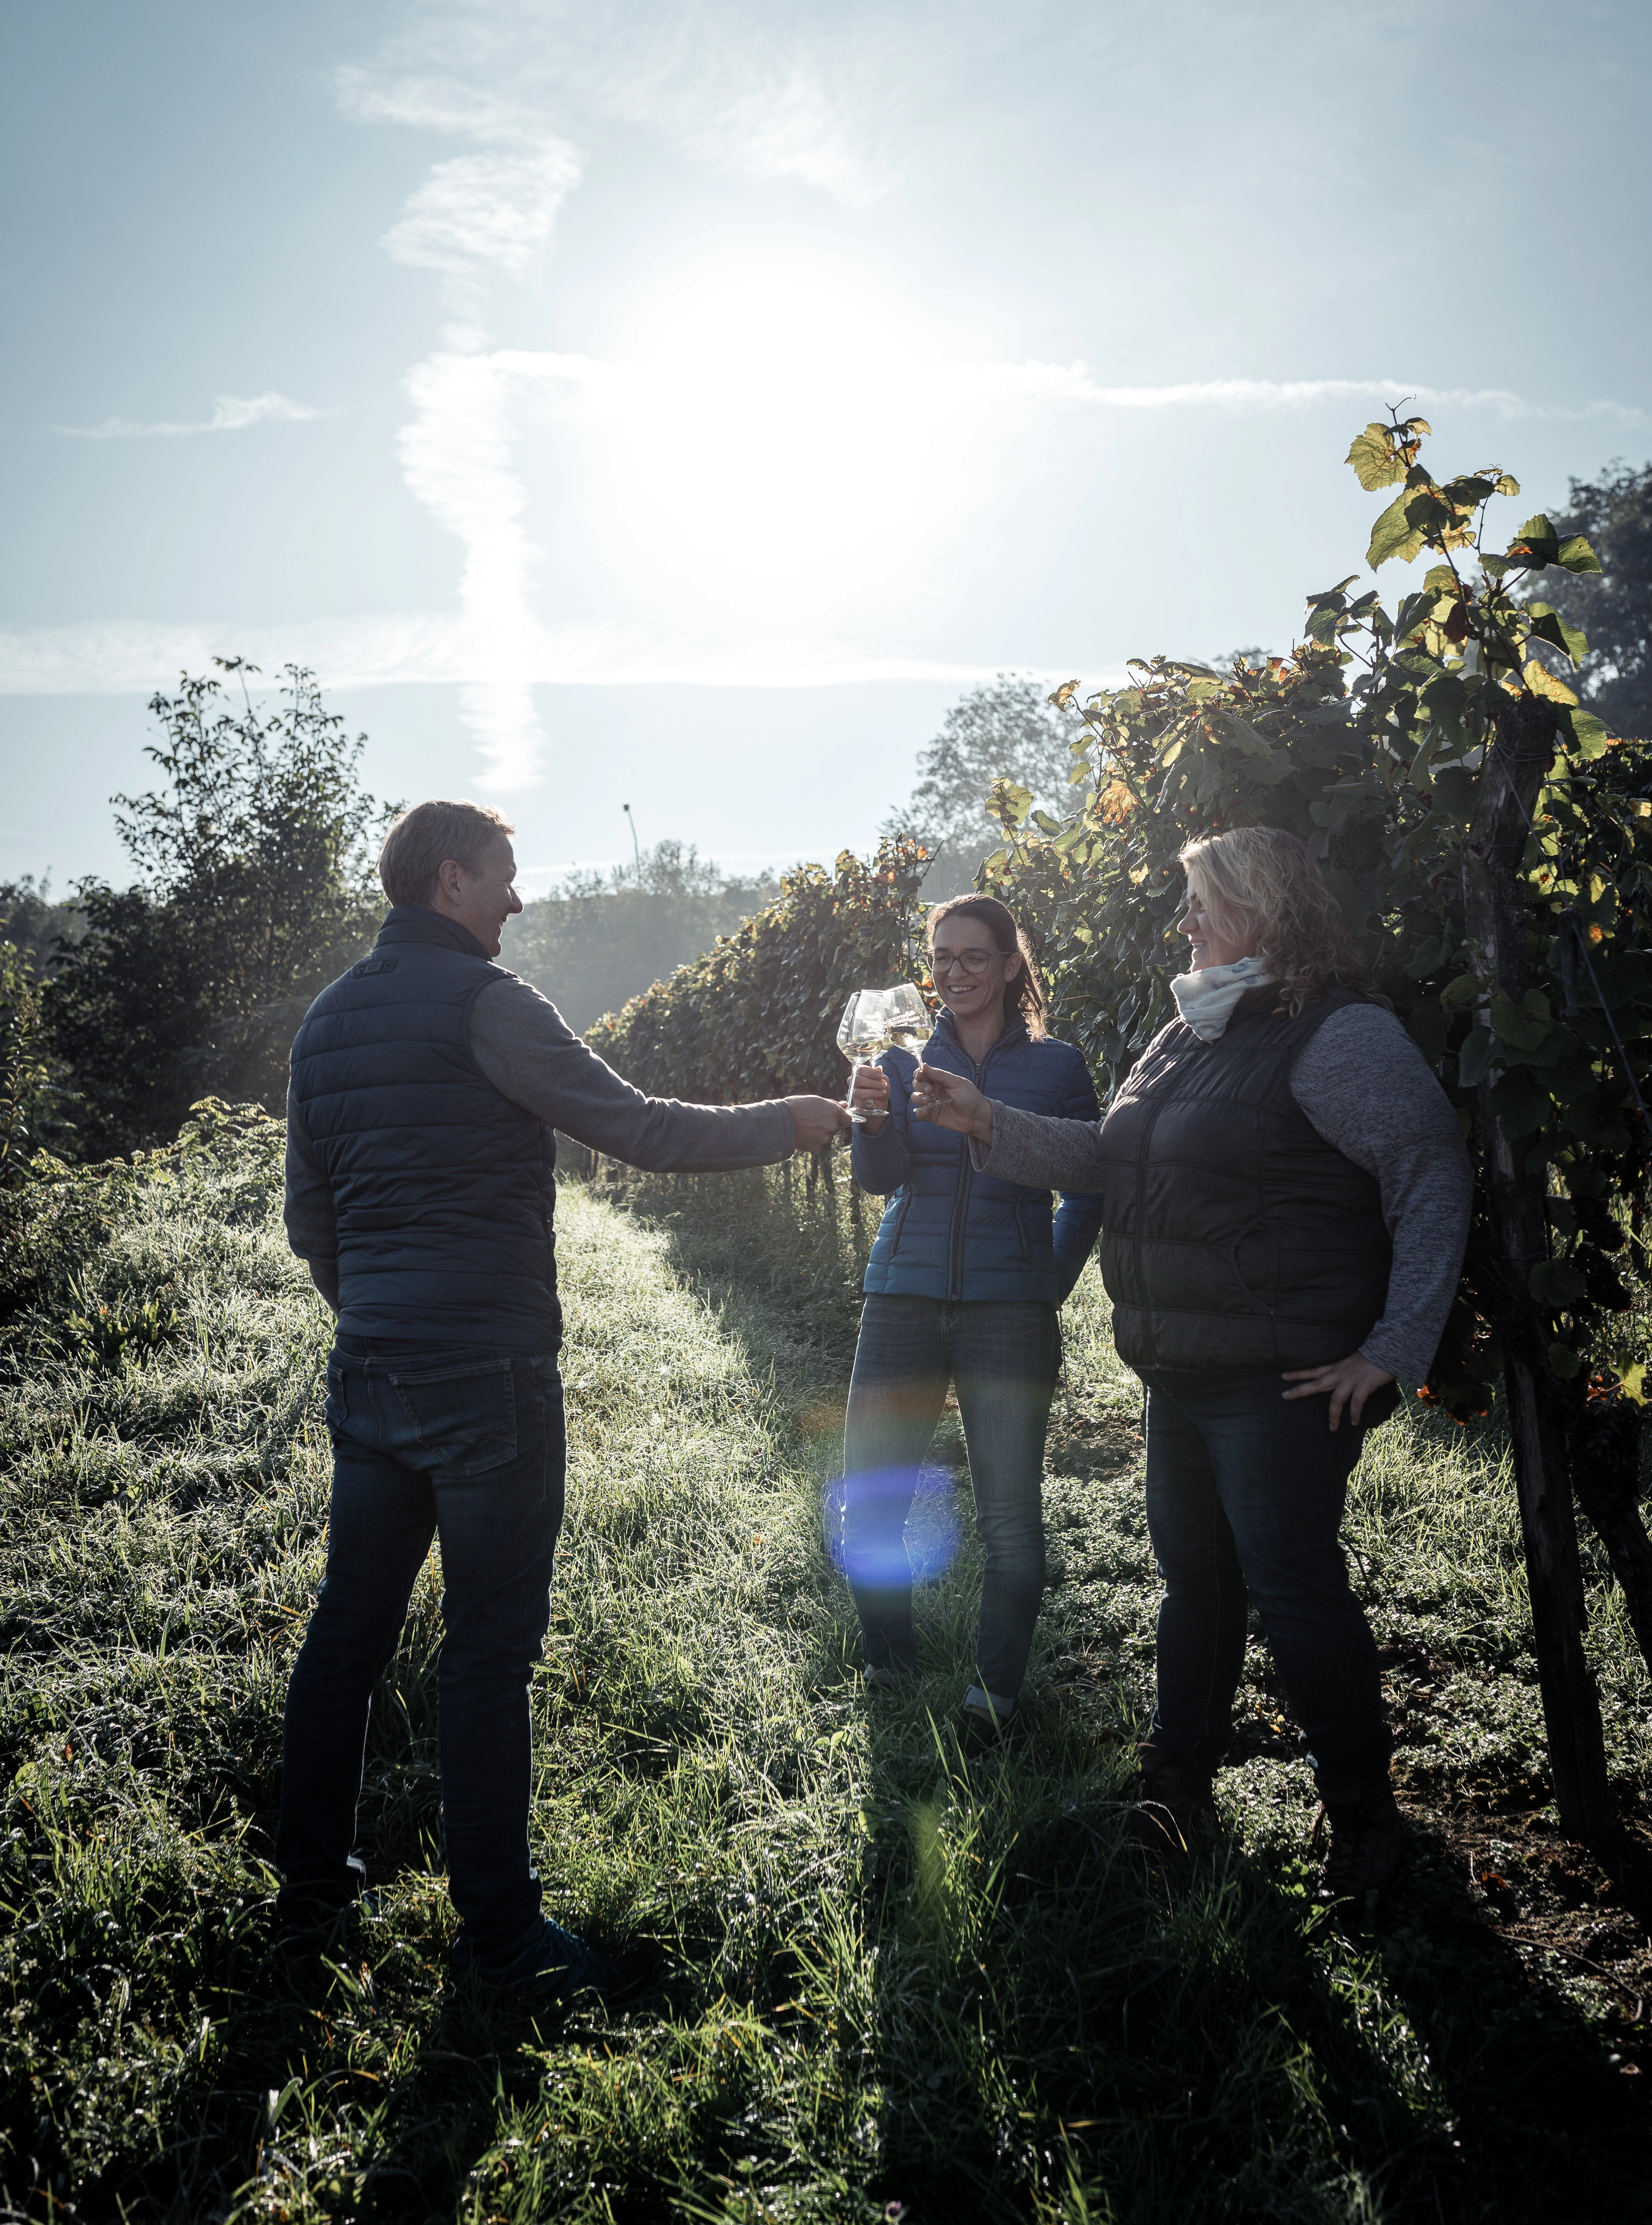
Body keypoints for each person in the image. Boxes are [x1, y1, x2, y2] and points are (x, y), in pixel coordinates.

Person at [276, 799, 848, 1995]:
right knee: (487, 1655)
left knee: (346, 1638)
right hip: (487, 1374)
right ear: (448, 880)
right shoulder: (491, 1004)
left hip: (370, 1367)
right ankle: (502, 1940)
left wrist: (375, 1311)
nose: (519, 898)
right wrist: (788, 1124)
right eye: (505, 875)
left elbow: (308, 1220)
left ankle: (311, 1894)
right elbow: (638, 1130)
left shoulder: (326, 1021)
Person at [910, 827, 1472, 1900]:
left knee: (1294, 1589)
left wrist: (1393, 1348)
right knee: (1195, 1585)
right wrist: (987, 1119)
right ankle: (1179, 1782)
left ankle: (1362, 1812)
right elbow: (1107, 1162)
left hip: (1281, 1376)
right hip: (1182, 1365)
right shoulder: (1187, 1034)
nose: (1185, 924)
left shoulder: (1337, 1035)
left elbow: (1428, 1171)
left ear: (1265, 910)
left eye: (1203, 903)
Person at [840, 894, 1104, 1747]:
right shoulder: (901, 1055)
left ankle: (993, 1696)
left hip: (1008, 1312)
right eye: (941, 957)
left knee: (1010, 1519)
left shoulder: (1058, 1066)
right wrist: (871, 1123)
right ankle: (890, 1658)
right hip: (903, 1296)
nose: (955, 972)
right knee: (871, 1495)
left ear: (1010, 964)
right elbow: (881, 1180)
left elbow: (1090, 1180)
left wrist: (1045, 1280)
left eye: (974, 956)